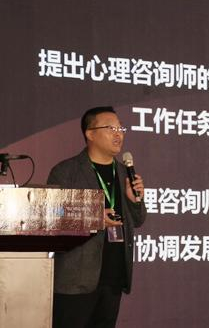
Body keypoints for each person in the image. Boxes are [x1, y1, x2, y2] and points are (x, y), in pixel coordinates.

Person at [48, 106, 147, 328]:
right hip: (75, 282)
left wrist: (134, 201)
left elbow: (139, 220)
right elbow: (52, 218)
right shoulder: (66, 171)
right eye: (111, 128)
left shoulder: (124, 172)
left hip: (113, 278)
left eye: (120, 128)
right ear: (90, 134)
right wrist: (93, 217)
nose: (118, 134)